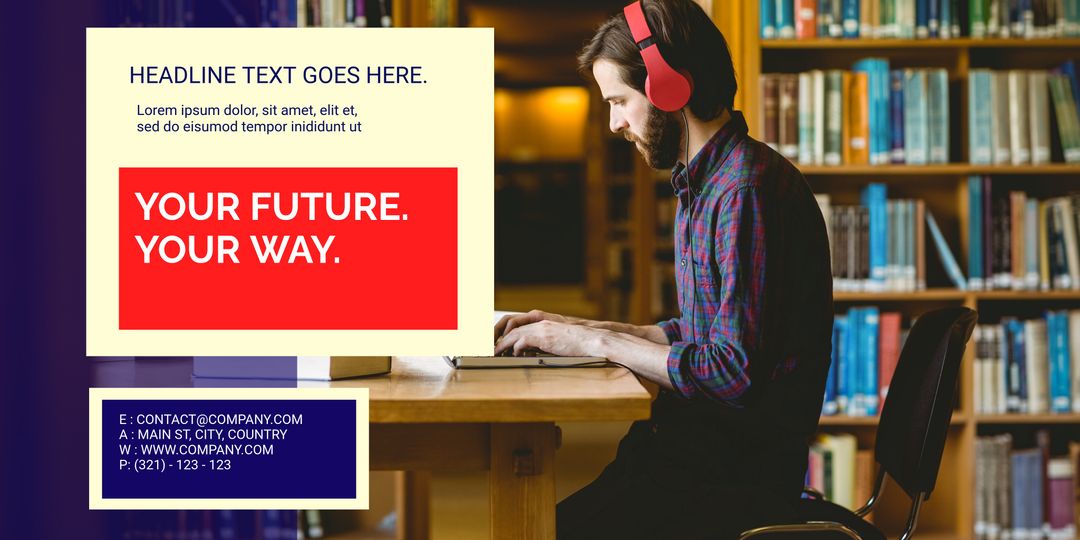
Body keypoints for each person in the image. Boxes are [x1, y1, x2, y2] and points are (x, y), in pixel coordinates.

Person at [494, 1, 834, 538]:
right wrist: (573, 328)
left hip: (730, 474)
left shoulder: (745, 190)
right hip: (690, 449)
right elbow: (698, 334)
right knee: (538, 524)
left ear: (669, 89)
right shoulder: (705, 183)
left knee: (536, 530)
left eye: (619, 101)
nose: (614, 123)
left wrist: (594, 344)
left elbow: (731, 372)